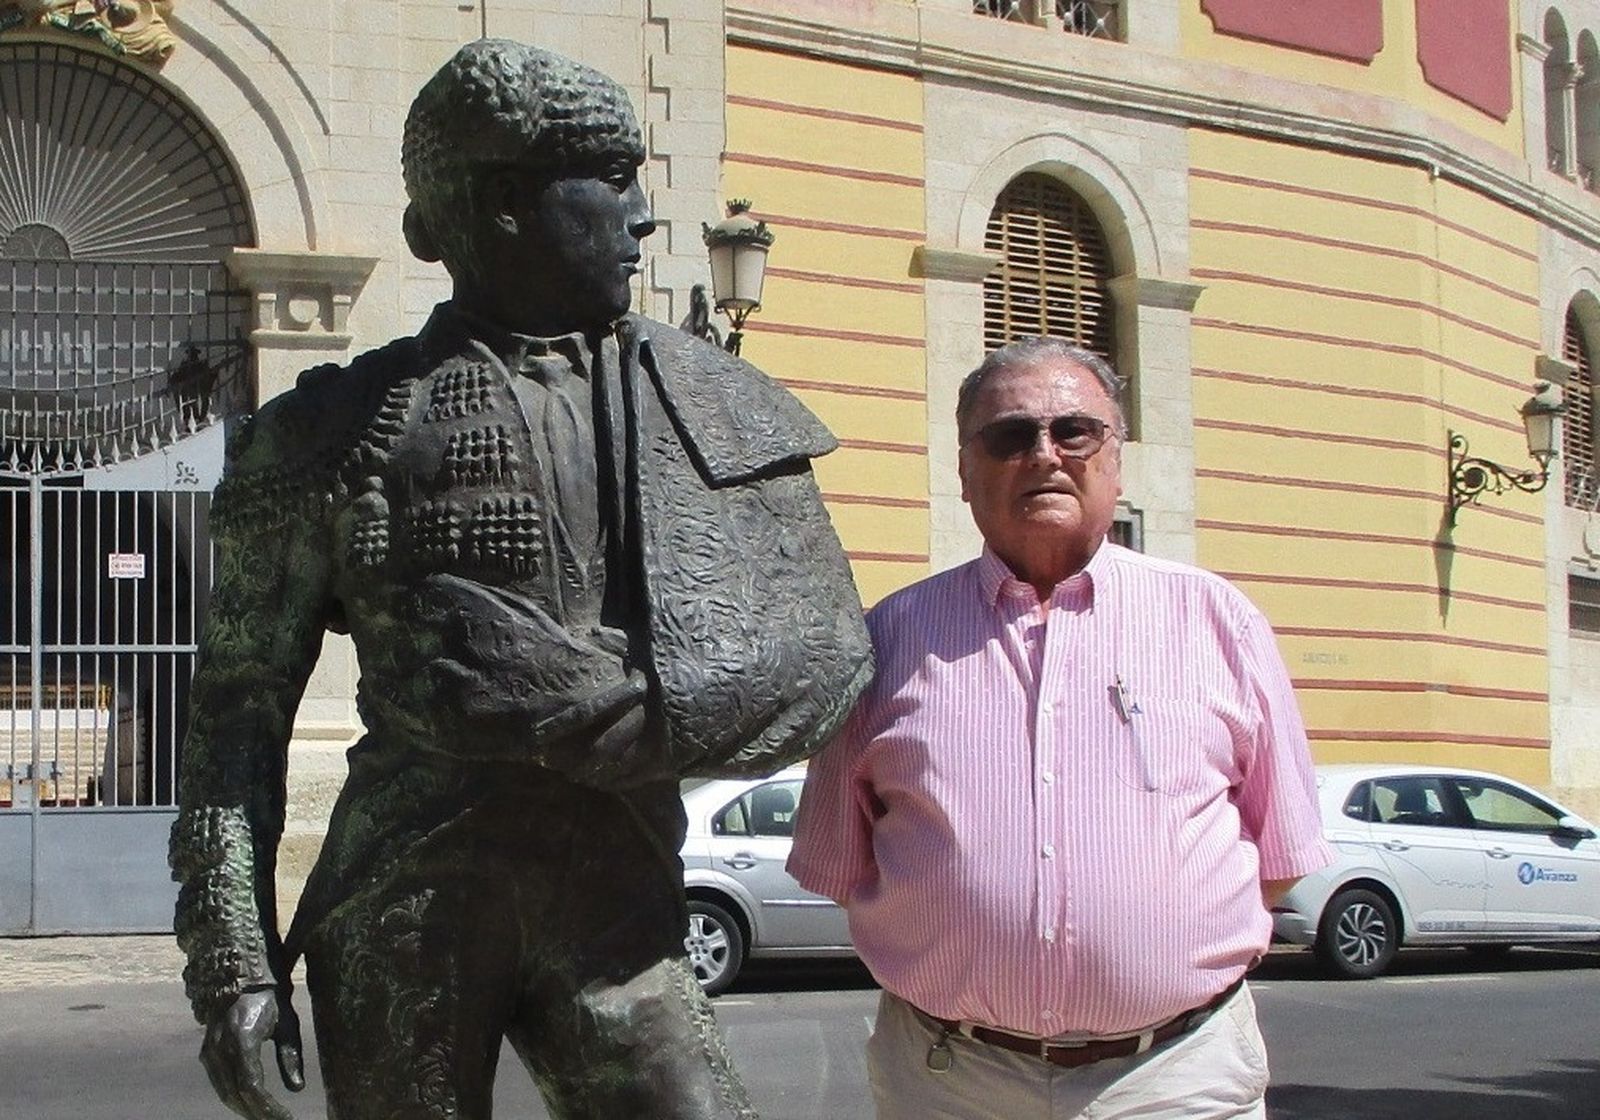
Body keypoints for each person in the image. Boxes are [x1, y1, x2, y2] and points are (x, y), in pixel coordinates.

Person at [168, 39, 872, 1120]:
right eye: (614, 178)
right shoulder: (329, 433)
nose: (642, 216)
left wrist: (655, 715)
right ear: (504, 203)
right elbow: (236, 712)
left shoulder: (715, 398)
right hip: (407, 905)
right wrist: (235, 965)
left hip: (618, 905)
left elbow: (827, 650)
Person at [788, 337, 1333, 1120]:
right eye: (1009, 436)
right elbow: (843, 862)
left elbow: (1277, 855)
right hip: (950, 1079)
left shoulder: (1219, 622)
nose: (1043, 454)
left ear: (1116, 459)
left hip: (1174, 1077)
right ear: (965, 471)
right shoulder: (889, 639)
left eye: (1074, 431)